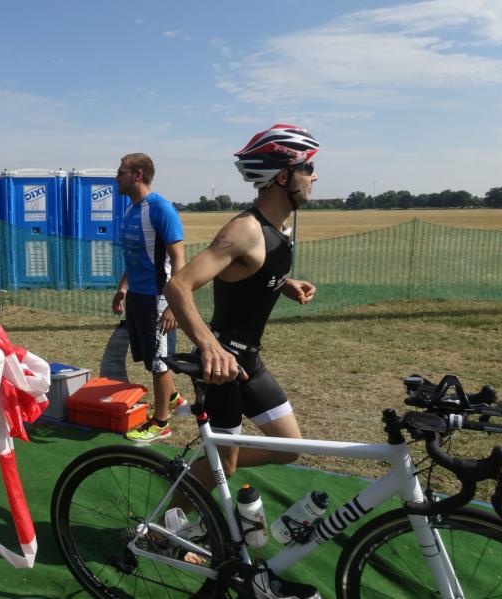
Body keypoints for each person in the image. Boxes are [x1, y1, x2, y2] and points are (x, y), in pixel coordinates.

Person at [164, 124, 321, 599]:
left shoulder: (277, 228)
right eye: (308, 168)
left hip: (250, 359)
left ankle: (207, 463)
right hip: (222, 365)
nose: (314, 176)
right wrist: (209, 346)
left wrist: (283, 283)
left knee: (290, 447)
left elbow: (252, 269)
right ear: (282, 177)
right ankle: (169, 526)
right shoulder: (244, 230)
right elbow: (179, 286)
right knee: (226, 467)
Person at [113, 152, 186, 443]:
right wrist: (123, 288)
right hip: (137, 296)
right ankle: (174, 397)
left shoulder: (161, 209)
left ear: (138, 175)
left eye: (121, 172)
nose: (116, 177)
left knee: (159, 363)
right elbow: (134, 256)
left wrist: (173, 305)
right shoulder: (131, 210)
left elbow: (178, 260)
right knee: (149, 357)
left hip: (158, 297)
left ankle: (161, 423)